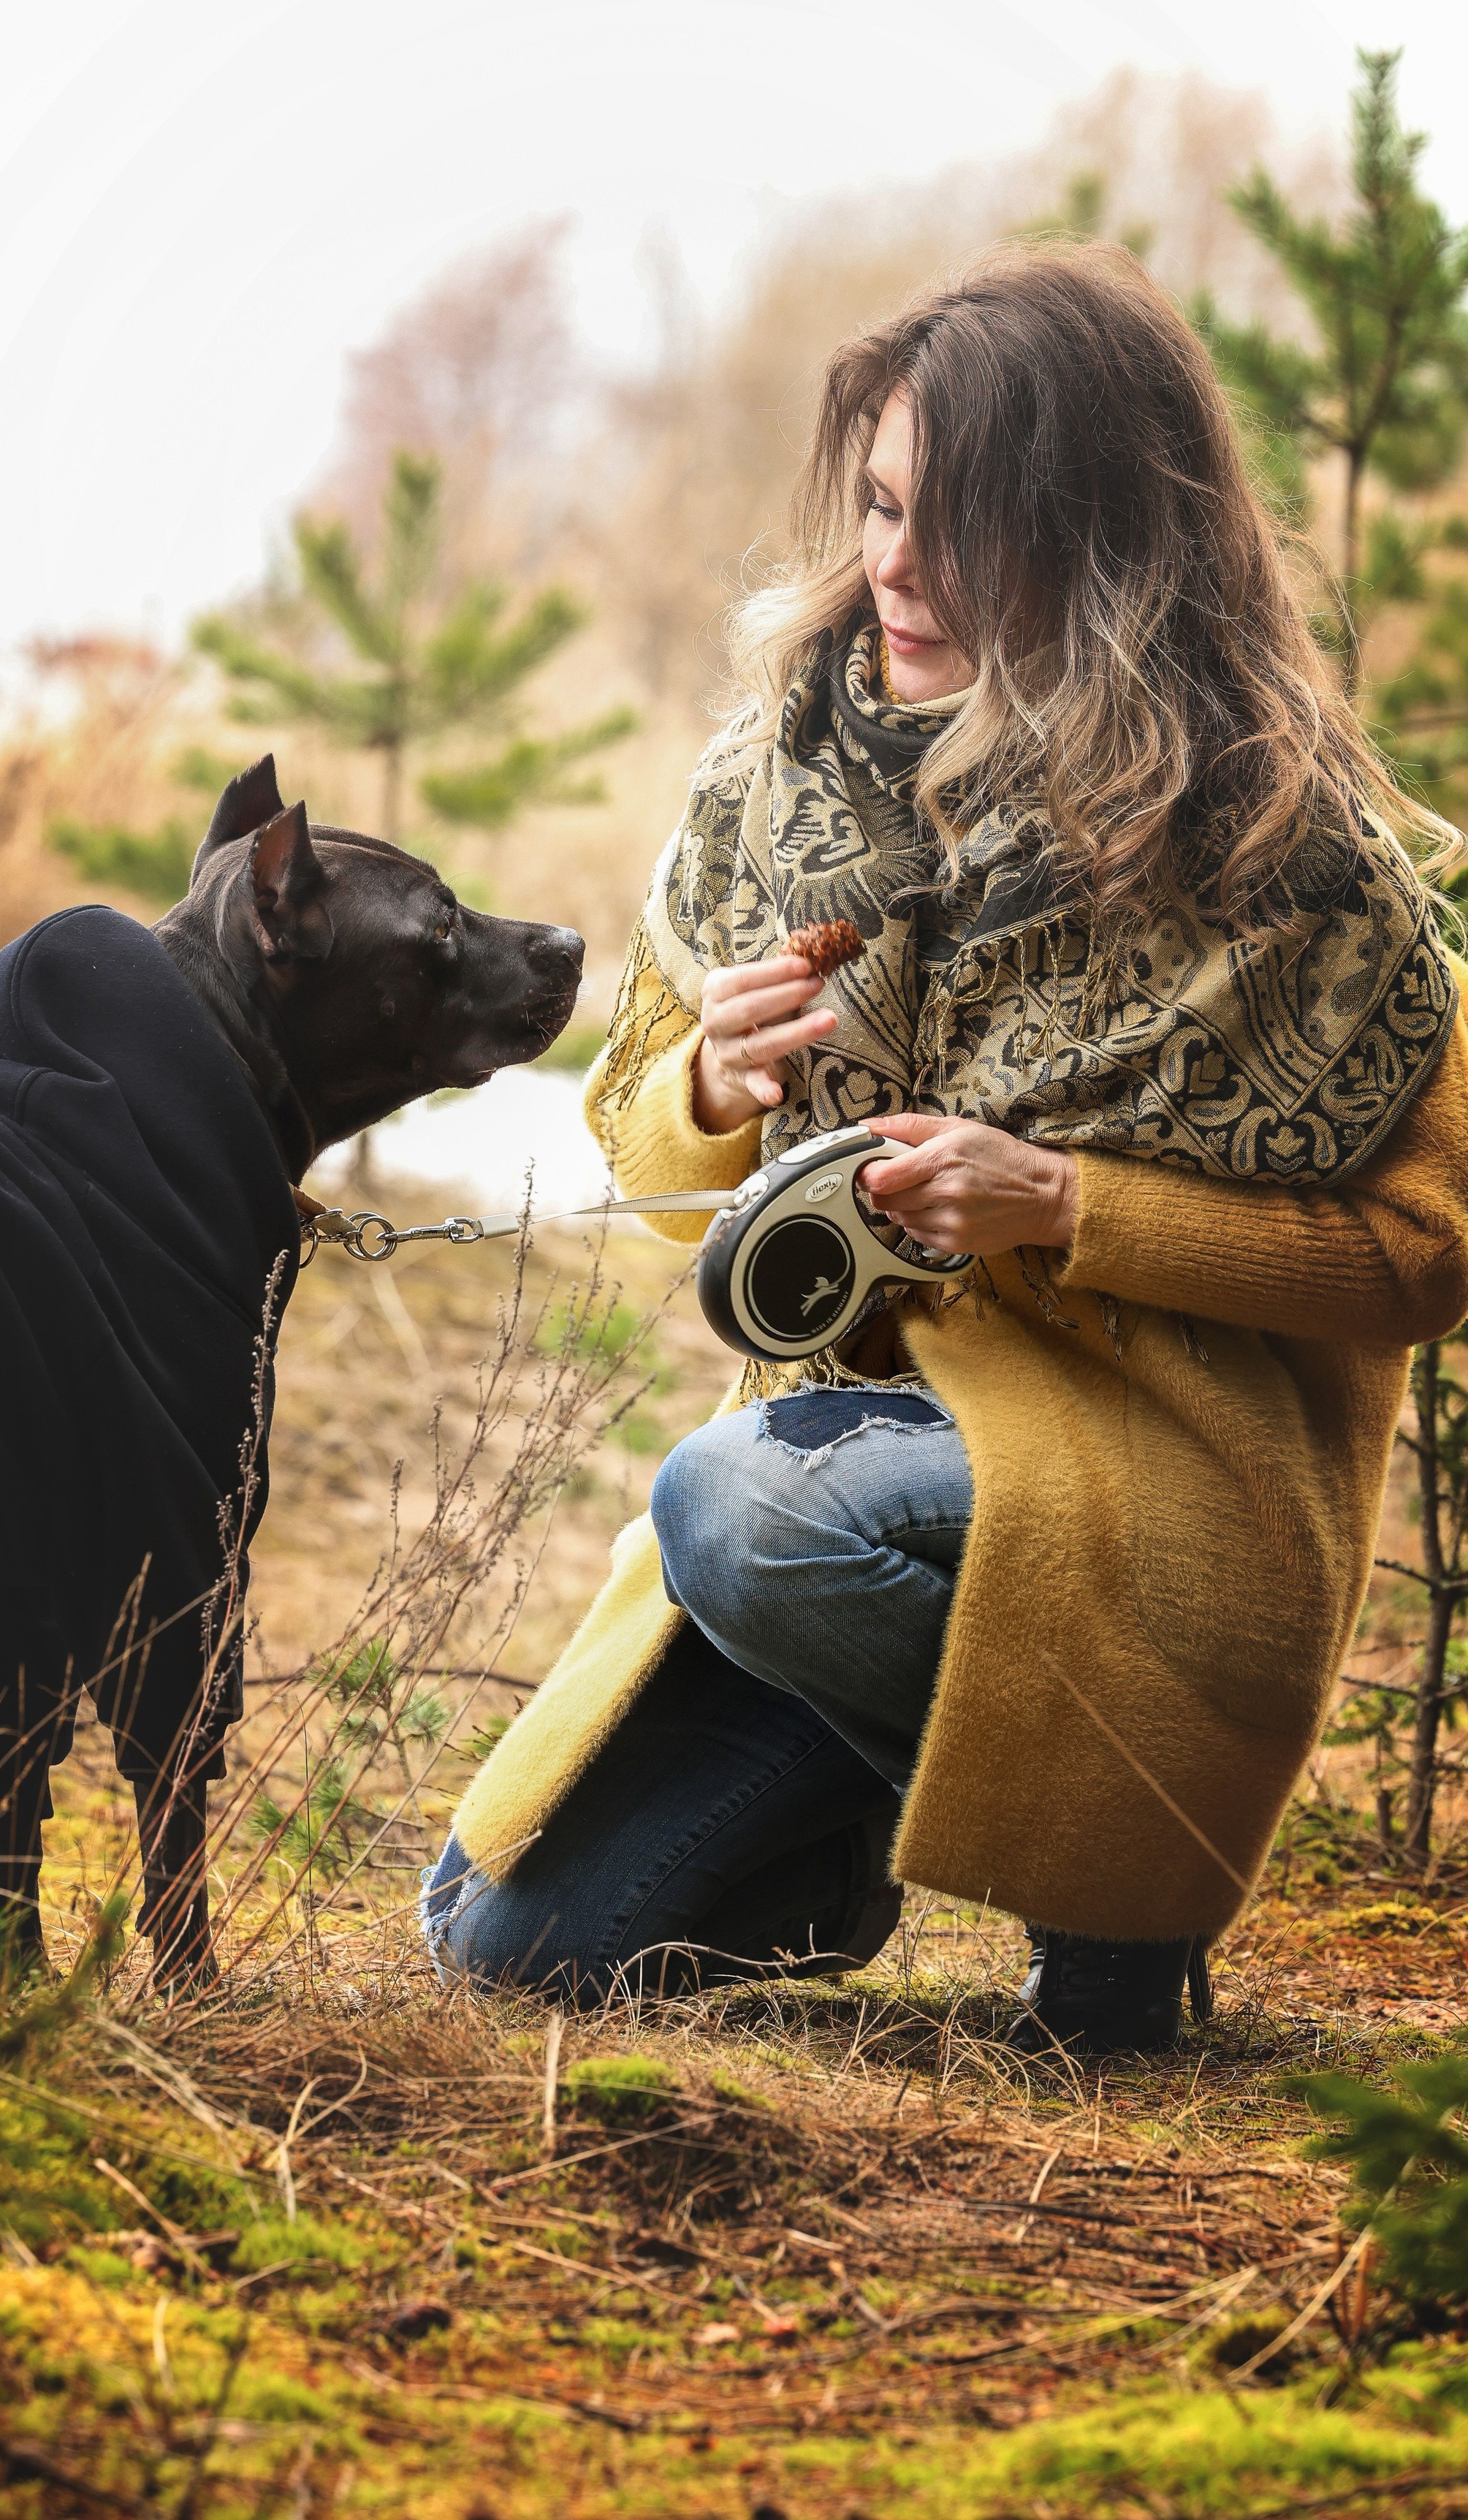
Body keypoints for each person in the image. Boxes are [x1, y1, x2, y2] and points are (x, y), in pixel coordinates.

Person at [422, 240, 1468, 2052]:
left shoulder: (1279, 844)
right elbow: (654, 1154)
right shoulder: (781, 766)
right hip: (870, 1485)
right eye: (884, 502)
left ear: (1104, 539)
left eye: (960, 523)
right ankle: (878, 1817)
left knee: (733, 1504)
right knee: (497, 1940)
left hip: (1147, 1495)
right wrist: (715, 1092)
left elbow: (1430, 1252)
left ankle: (1115, 1890)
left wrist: (1065, 1202)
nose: (893, 564)